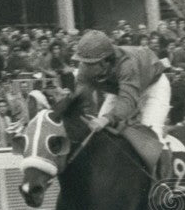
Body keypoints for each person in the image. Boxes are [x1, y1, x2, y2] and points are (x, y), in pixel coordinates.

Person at [72, 29, 173, 183]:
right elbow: (81, 98)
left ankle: (165, 184)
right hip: (121, 88)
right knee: (97, 133)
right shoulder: (85, 67)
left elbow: (128, 102)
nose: (84, 67)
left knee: (150, 133)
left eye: (90, 64)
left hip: (154, 86)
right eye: (83, 62)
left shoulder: (127, 63)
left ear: (105, 61)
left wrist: (106, 119)